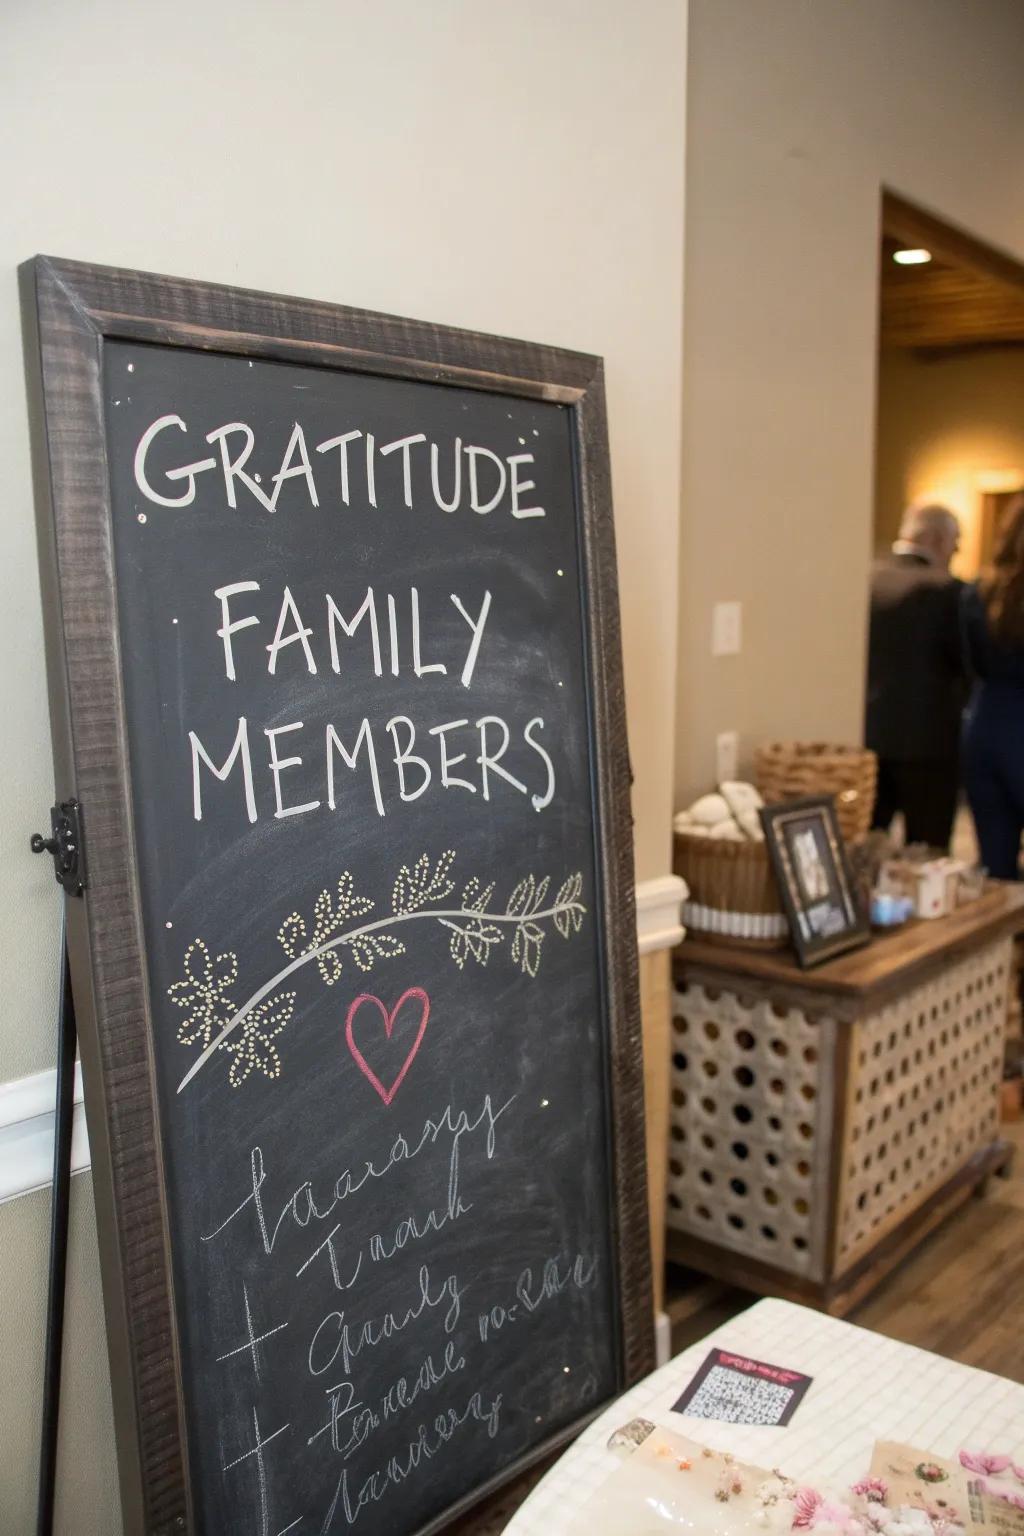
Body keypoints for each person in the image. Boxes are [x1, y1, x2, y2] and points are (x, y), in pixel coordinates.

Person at [865, 502, 967, 849]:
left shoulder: (867, 579)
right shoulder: (949, 591)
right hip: (931, 746)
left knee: (866, 846)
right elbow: (967, 666)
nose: (957, 551)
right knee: (928, 852)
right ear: (938, 539)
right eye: (956, 542)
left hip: (868, 737)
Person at [963, 495, 1024, 880]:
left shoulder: (978, 592)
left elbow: (974, 664)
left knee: (995, 861)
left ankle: (1004, 939)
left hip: (986, 724)